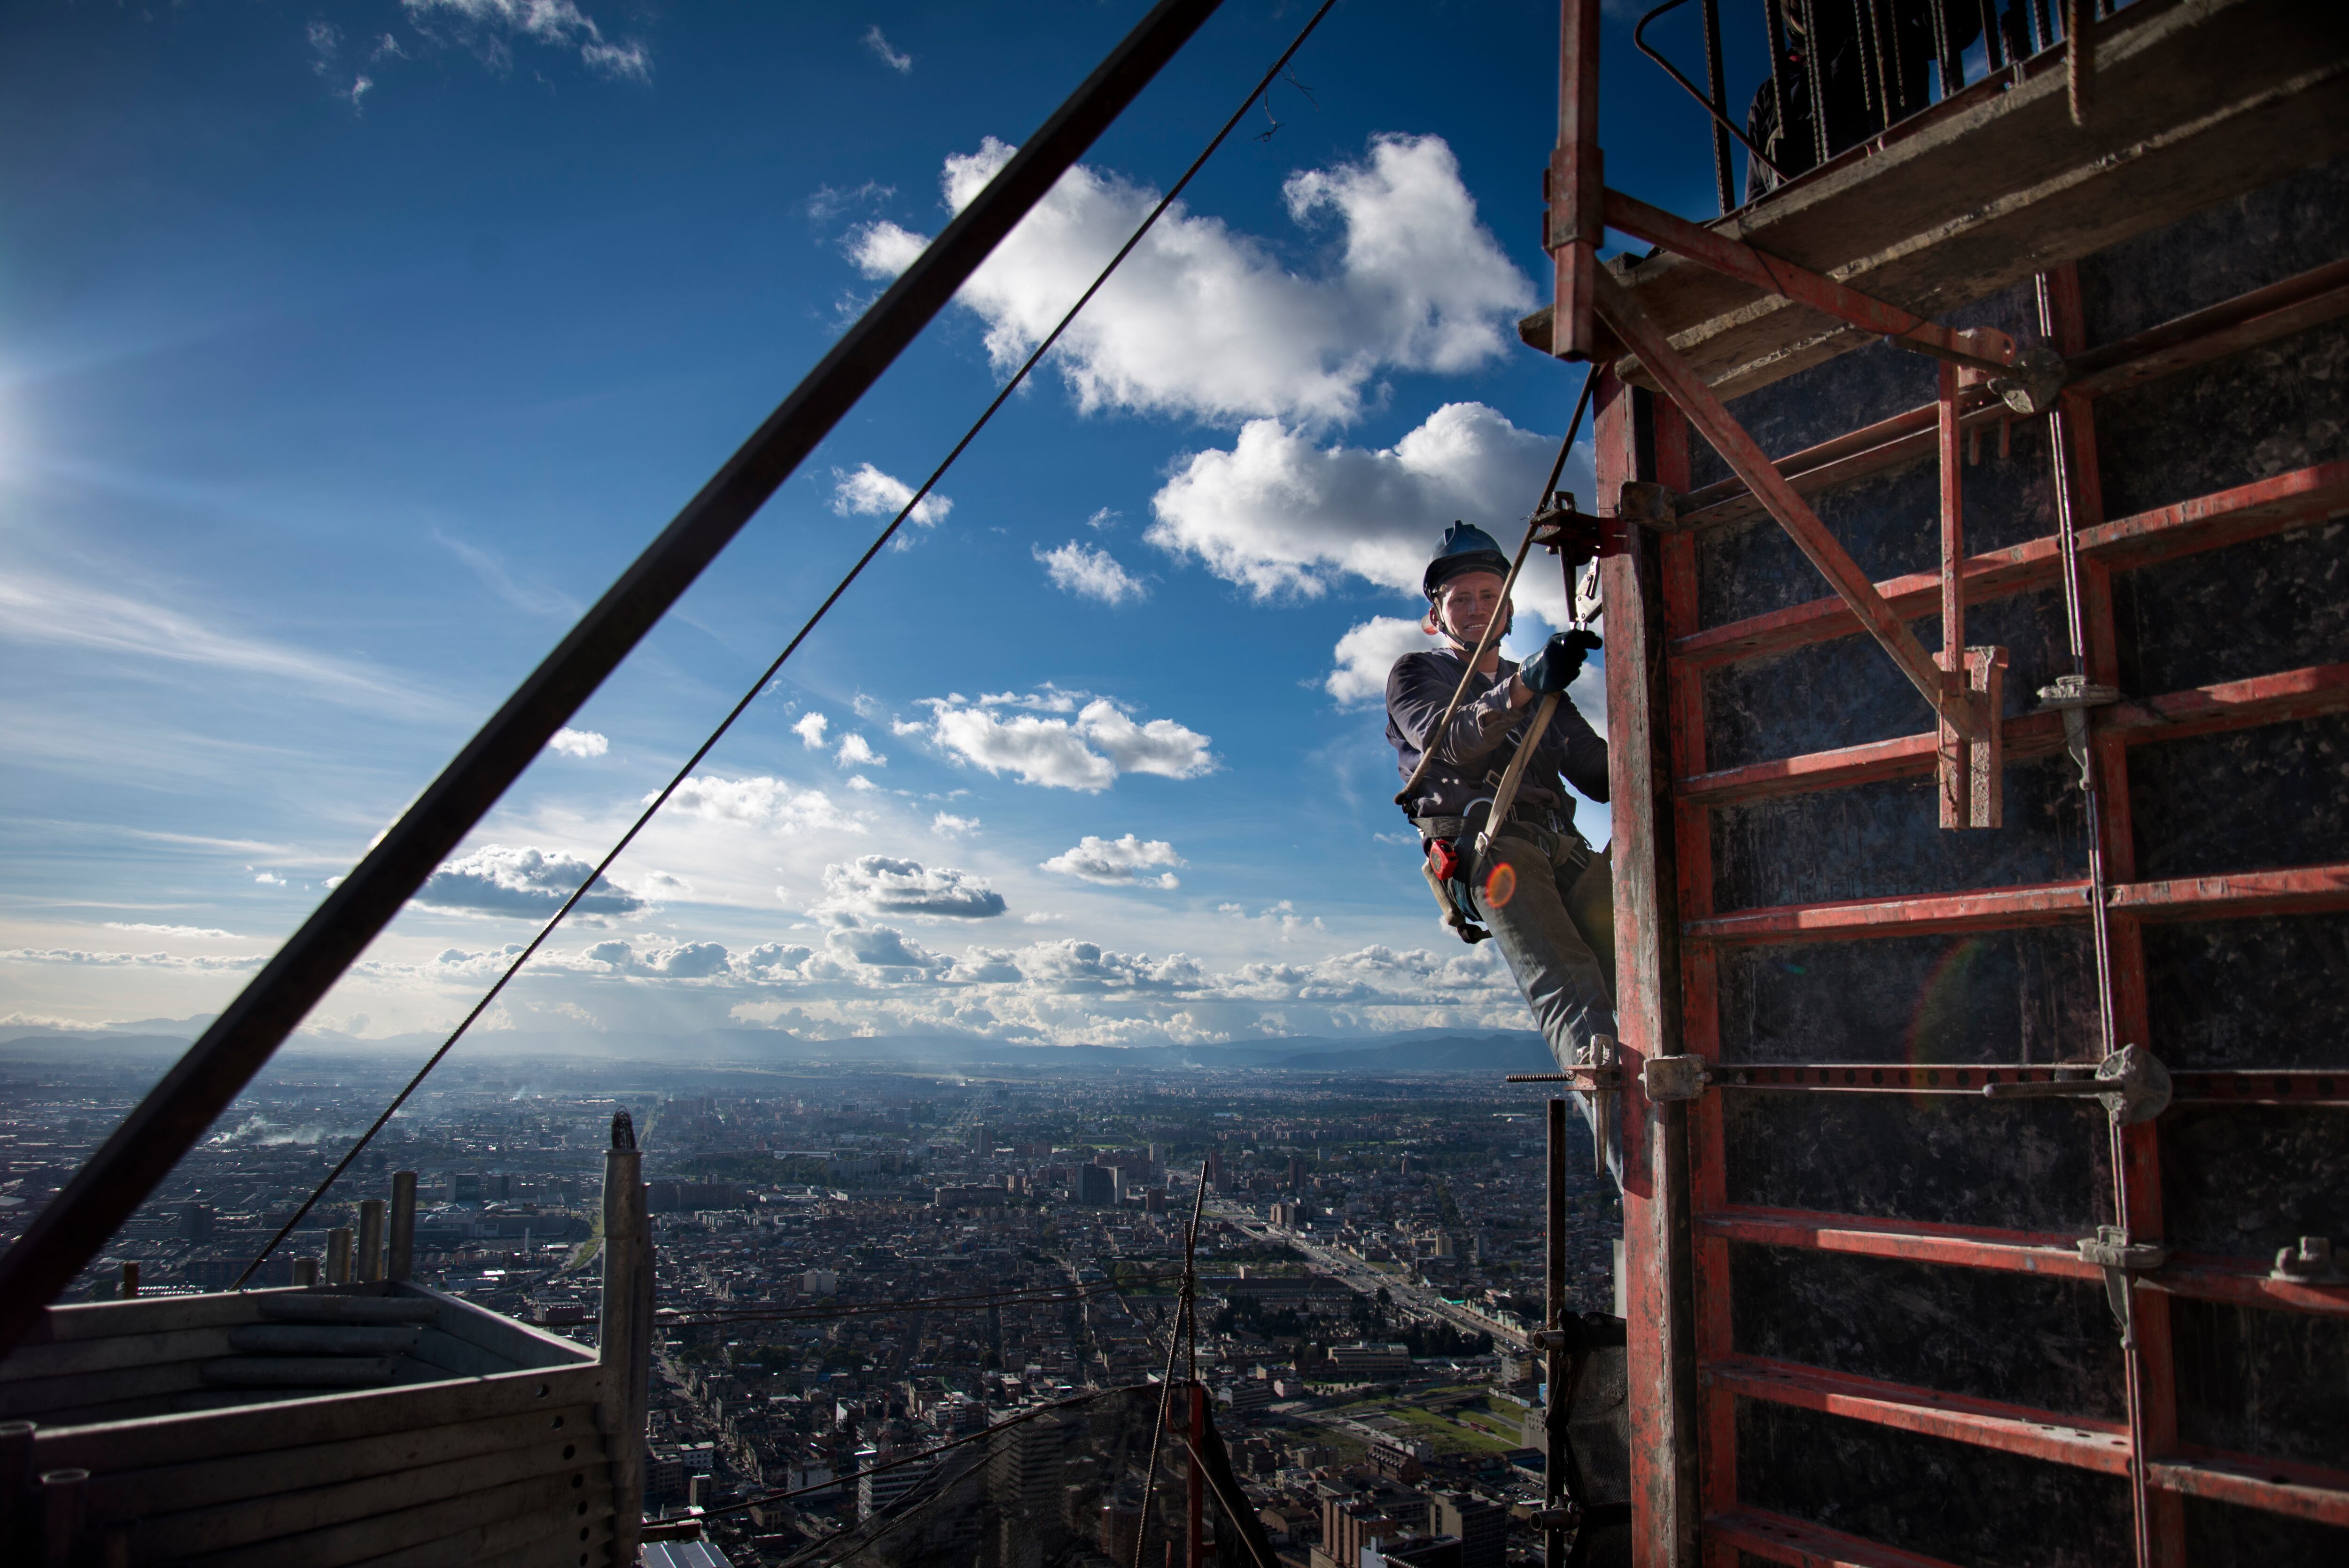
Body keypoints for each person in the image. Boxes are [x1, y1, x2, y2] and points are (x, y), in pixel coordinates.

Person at [1385, 521, 1620, 1187]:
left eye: (1491, 595)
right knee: (1572, 990)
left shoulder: (1540, 687)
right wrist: (1528, 687)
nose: (1479, 608)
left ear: (1511, 608)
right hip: (1490, 847)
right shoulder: (1418, 674)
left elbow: (1601, 774)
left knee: (1639, 969)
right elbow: (1449, 739)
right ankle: (1638, 1165)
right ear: (1436, 617)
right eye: (1462, 599)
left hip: (1558, 843)